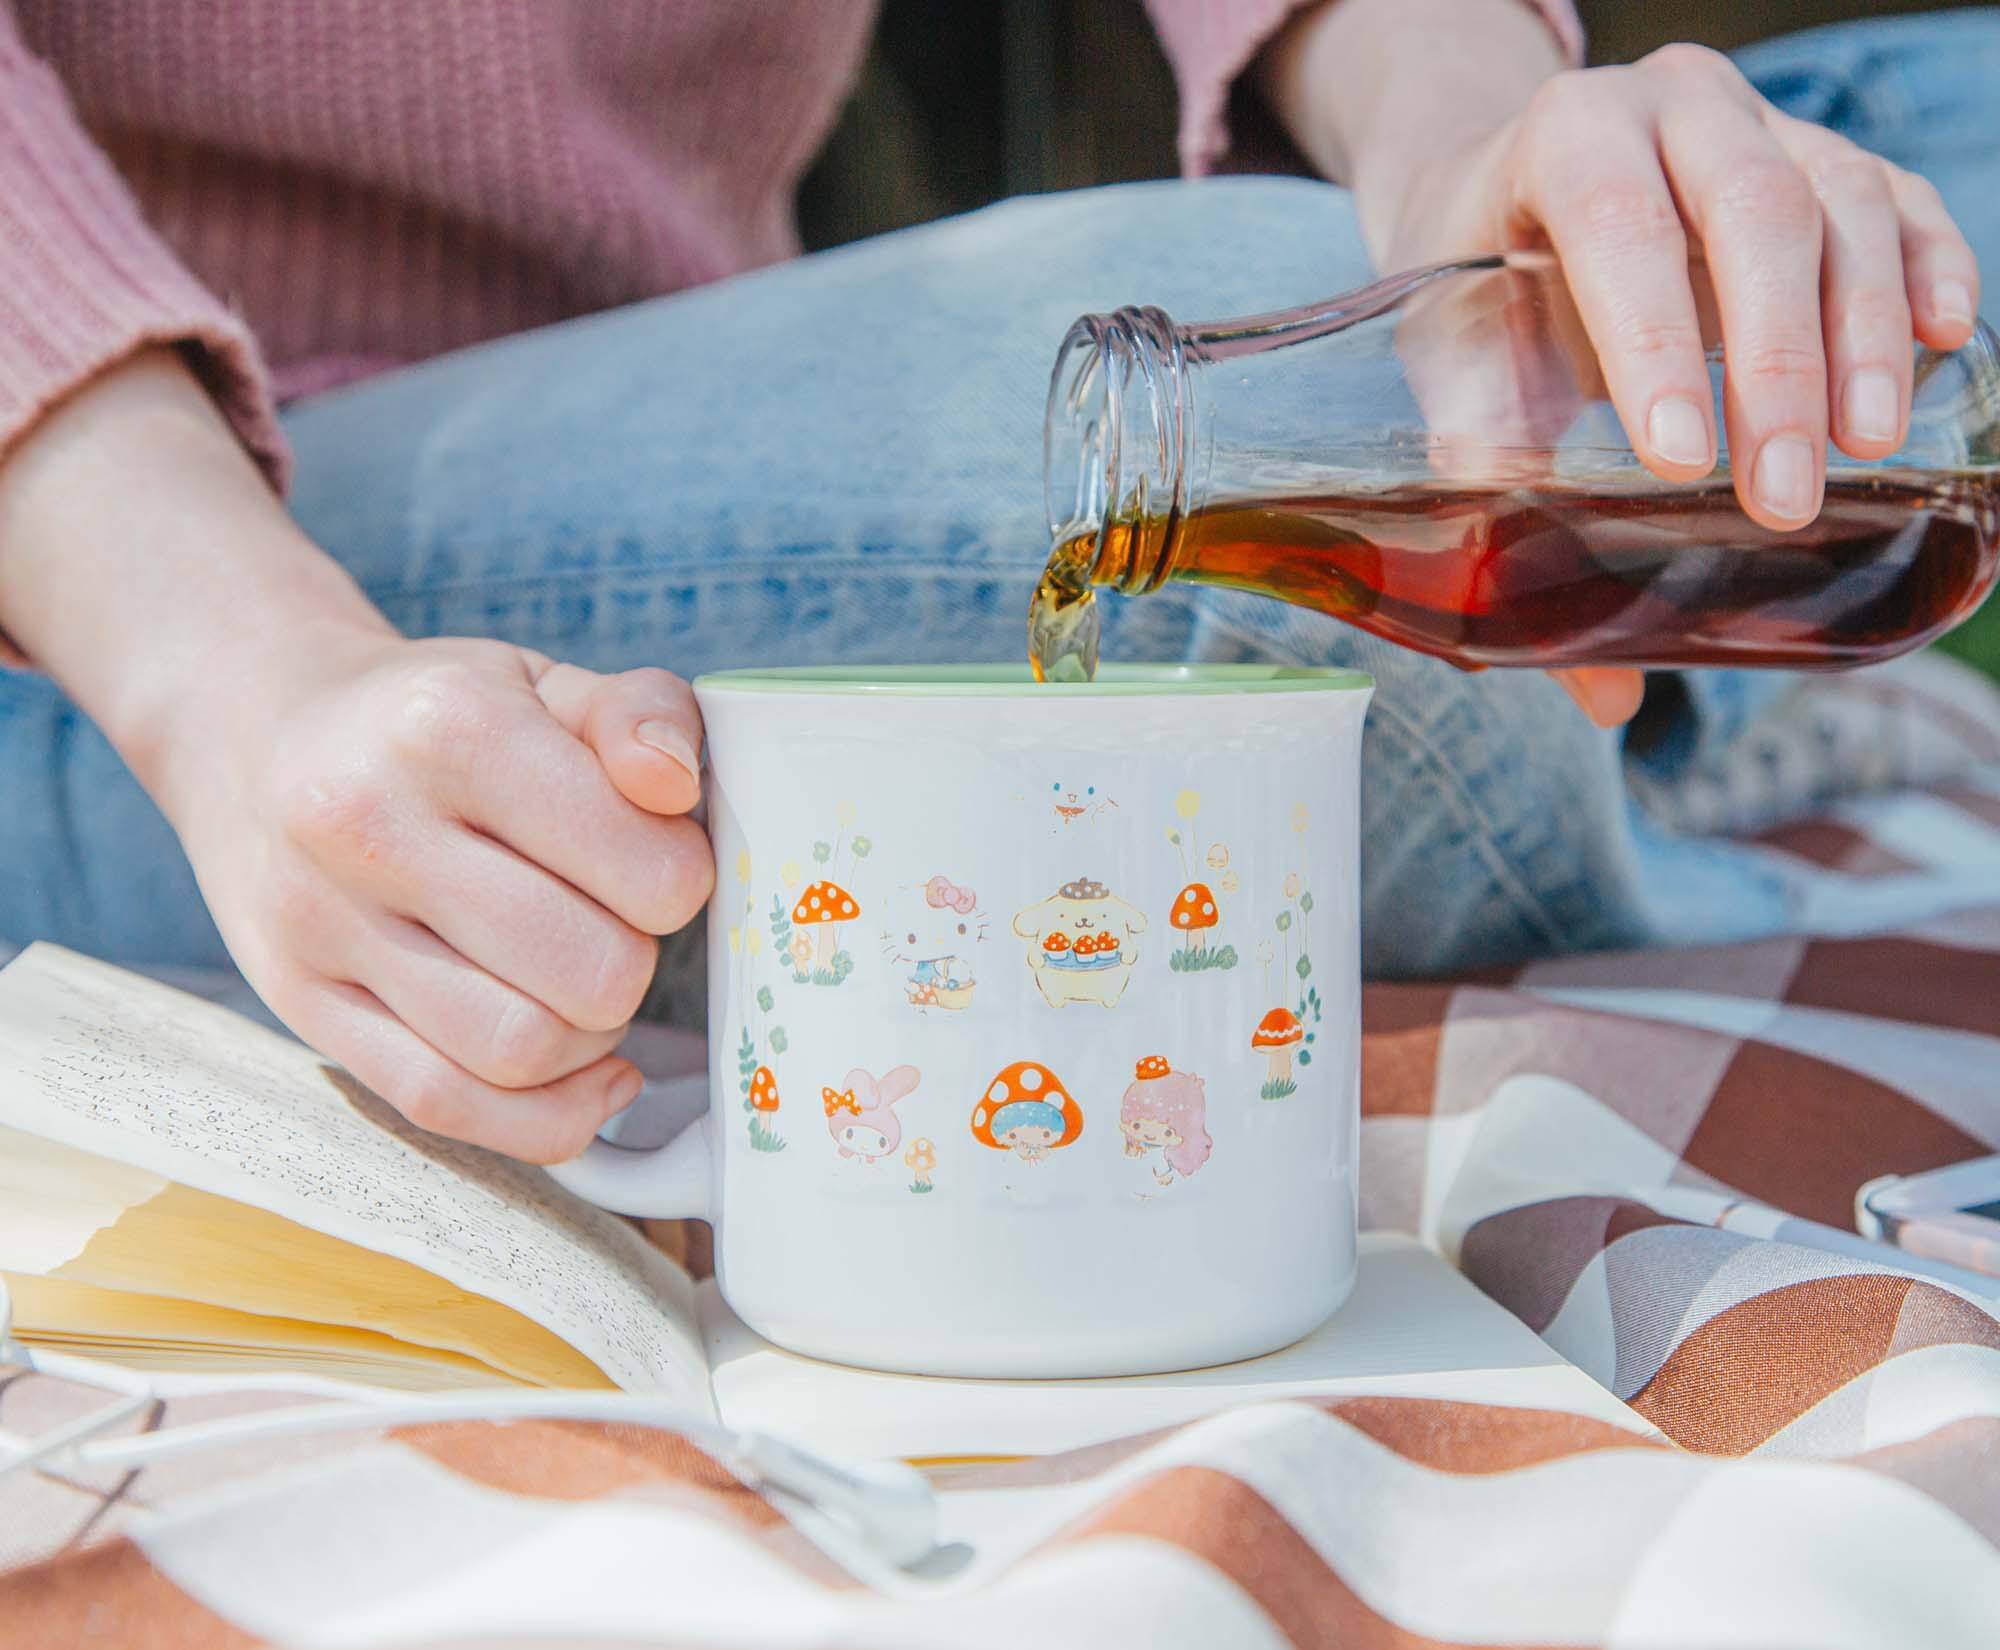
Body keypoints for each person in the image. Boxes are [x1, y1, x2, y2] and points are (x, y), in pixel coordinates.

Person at [0, 1, 1989, 1162]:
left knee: (1923, 178)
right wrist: (233, 675)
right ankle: (1685, 725)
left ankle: (1667, 691)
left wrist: (1478, 166)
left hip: (679, 383)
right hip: (113, 552)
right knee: (1250, 388)